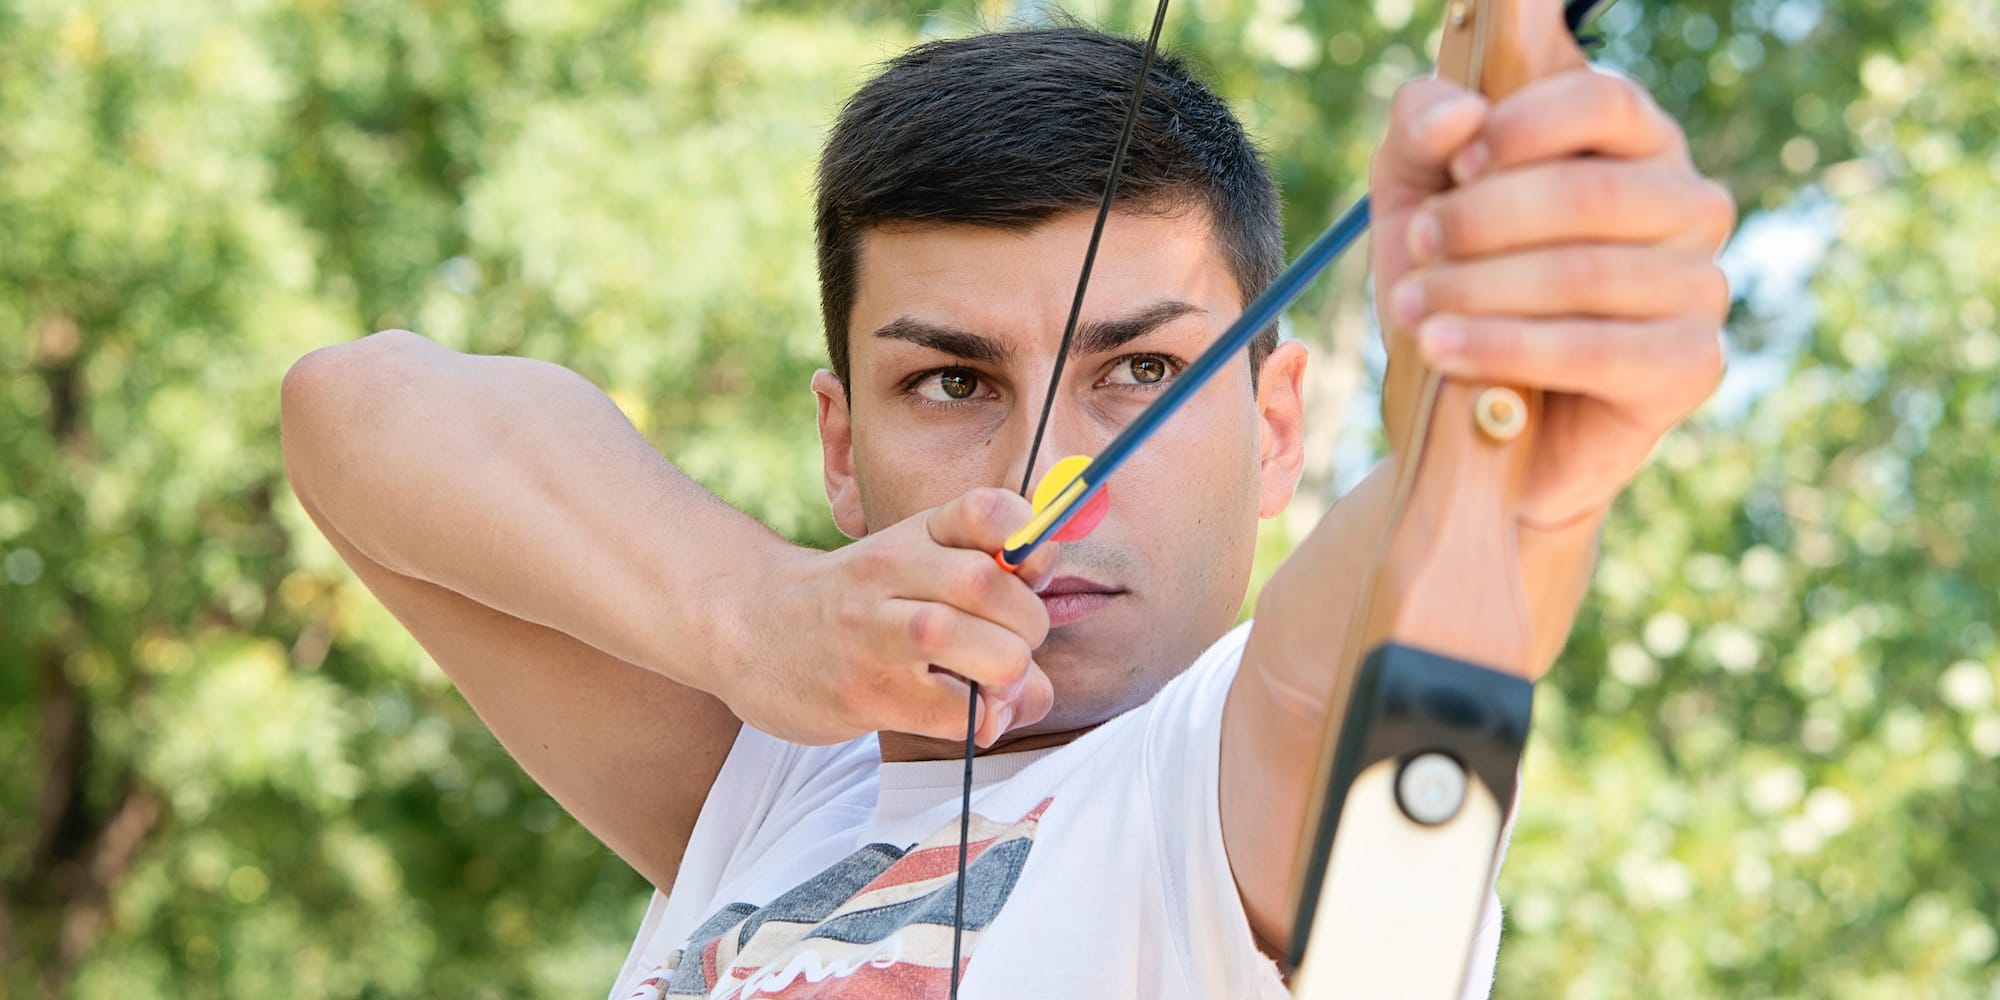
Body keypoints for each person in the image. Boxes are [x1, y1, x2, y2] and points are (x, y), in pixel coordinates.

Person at [280, 24, 1732, 1000]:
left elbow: (1444, 569)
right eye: (951, 381)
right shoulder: (775, 787)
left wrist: (1519, 412)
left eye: (1144, 372)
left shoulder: (1232, 787)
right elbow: (360, 406)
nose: (1039, 469)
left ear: (1274, 428)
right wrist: (752, 616)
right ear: (841, 444)